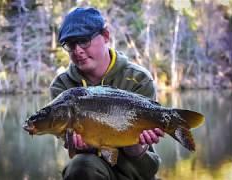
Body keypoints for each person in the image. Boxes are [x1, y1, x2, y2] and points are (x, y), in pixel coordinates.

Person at [49, 7, 165, 180]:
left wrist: (137, 143)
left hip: (137, 168)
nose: (77, 50)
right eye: (70, 44)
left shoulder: (139, 79)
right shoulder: (62, 86)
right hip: (93, 168)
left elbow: (141, 156)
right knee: (81, 166)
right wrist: (79, 144)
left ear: (105, 36)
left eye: (84, 40)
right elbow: (74, 147)